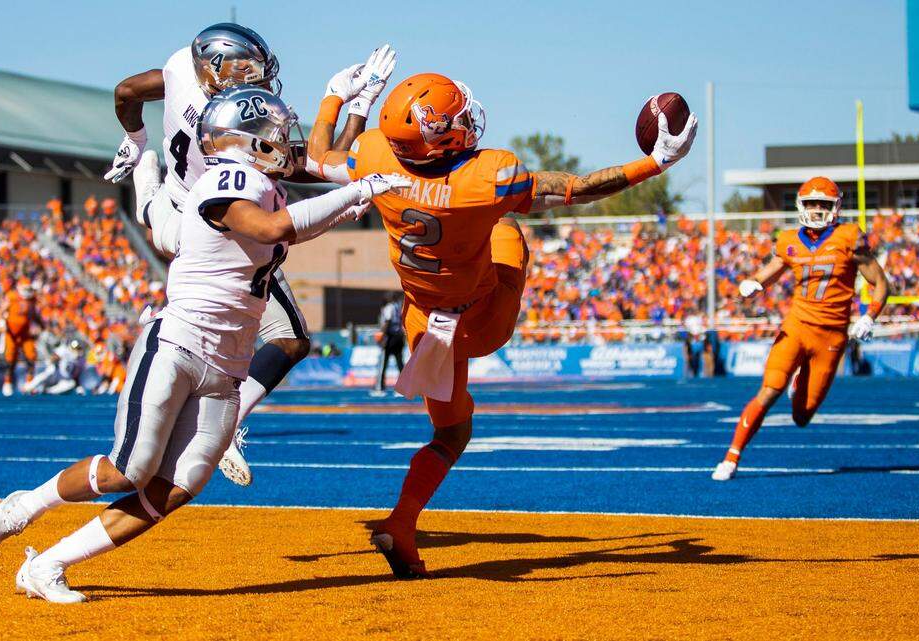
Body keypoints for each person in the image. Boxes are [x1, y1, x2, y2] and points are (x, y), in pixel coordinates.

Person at [0, 84, 408, 603]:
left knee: (176, 487)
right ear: (249, 140)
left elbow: (292, 223)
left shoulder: (261, 182)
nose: (285, 141)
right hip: (178, 343)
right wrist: (359, 191)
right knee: (126, 471)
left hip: (228, 365)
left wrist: (354, 159)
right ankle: (24, 506)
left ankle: (48, 565)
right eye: (275, 133)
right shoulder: (229, 178)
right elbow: (270, 228)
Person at [306, 72, 697, 577]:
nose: (467, 119)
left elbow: (318, 156)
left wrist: (337, 96)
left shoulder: (374, 154)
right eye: (457, 117)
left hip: (423, 323)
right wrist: (655, 162)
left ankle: (403, 522)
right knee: (506, 225)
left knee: (449, 434)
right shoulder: (489, 175)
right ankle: (400, 525)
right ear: (437, 134)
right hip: (482, 319)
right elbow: (577, 188)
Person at [107, 23, 397, 486]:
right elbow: (325, 166)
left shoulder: (183, 65)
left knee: (152, 210)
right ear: (214, 67)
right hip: (212, 232)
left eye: (257, 68)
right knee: (290, 337)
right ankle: (224, 419)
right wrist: (354, 106)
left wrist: (136, 138)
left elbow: (126, 91)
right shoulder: (230, 125)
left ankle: (145, 177)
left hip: (174, 212)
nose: (256, 78)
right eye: (244, 67)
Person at [712, 176, 891, 481]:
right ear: (801, 206)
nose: (818, 209)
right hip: (796, 327)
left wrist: (869, 316)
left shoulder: (849, 236)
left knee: (802, 416)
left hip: (831, 336)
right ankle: (731, 457)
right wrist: (754, 283)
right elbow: (771, 271)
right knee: (768, 392)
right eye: (812, 203)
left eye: (824, 203)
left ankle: (800, 386)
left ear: (836, 207)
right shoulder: (788, 240)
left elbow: (882, 284)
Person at [0, 278, 41, 397]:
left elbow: (33, 314)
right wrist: (1, 322)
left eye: (29, 289)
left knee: (32, 356)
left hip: (25, 333)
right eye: (25, 289)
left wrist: (41, 325)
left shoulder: (32, 299)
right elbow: (2, 311)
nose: (28, 291)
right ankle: (7, 382)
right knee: (10, 359)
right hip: (11, 333)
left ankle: (29, 383)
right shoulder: (12, 296)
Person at [373, 291, 404, 393]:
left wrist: (382, 334)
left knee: (383, 363)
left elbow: (387, 321)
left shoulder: (389, 307)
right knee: (400, 363)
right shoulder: (399, 306)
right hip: (399, 336)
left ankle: (379, 387)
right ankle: (403, 387)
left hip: (390, 337)